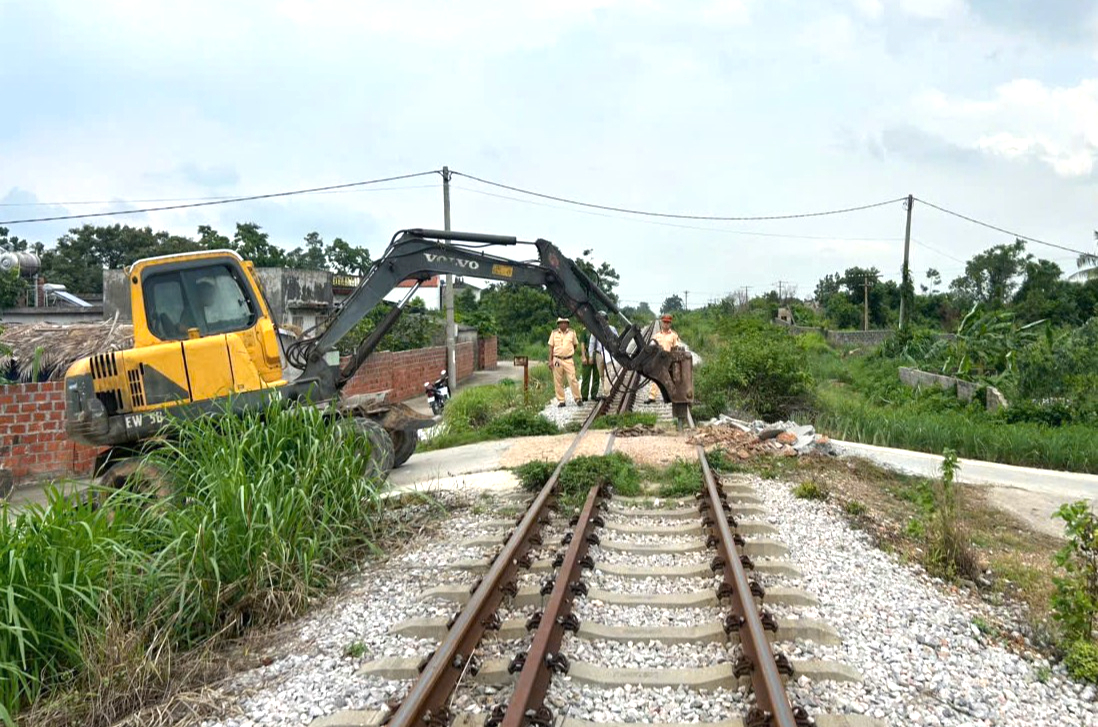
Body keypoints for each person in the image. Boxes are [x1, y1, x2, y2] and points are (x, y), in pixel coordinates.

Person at [547, 316, 582, 407]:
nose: (563, 324)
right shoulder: (554, 333)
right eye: (561, 322)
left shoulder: (572, 332)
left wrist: (568, 352)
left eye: (565, 322)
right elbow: (551, 348)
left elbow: (575, 345)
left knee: (573, 379)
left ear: (567, 324)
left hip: (568, 359)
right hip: (557, 359)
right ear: (558, 324)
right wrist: (550, 360)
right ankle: (561, 400)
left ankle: (578, 398)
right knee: (558, 380)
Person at [648, 314, 681, 403]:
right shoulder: (657, 336)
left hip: (669, 360)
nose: (666, 324)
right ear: (662, 323)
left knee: (669, 378)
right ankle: (652, 397)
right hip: (658, 360)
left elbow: (677, 347)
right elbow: (651, 347)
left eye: (668, 322)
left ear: (670, 324)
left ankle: (670, 397)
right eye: (664, 322)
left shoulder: (674, 336)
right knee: (655, 378)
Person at [586, 321, 617, 400]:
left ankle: (606, 392)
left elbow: (617, 339)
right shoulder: (595, 330)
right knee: (601, 374)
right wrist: (590, 356)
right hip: (599, 354)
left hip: (609, 353)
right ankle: (605, 390)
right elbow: (592, 343)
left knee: (608, 373)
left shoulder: (612, 328)